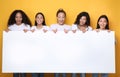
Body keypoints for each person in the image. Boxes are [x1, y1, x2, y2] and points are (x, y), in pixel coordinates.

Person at [7, 9, 32, 77]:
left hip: (24, 53)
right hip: (14, 53)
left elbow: (31, 39)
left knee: (23, 73)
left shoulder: (27, 26)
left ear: (22, 18)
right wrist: (7, 33)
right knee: (15, 73)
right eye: (16, 17)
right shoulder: (11, 27)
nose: (18, 19)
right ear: (14, 18)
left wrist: (28, 32)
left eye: (20, 17)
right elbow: (9, 41)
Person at [50, 8, 71, 77]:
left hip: (65, 53)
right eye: (59, 17)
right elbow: (48, 39)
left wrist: (69, 33)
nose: (61, 19)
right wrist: (52, 32)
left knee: (64, 73)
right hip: (55, 53)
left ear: (65, 18)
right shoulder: (52, 26)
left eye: (63, 17)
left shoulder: (69, 27)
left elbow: (72, 39)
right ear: (57, 17)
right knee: (56, 73)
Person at [71, 12, 92, 77]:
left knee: (83, 73)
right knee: (74, 72)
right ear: (78, 18)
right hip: (74, 52)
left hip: (84, 53)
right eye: (81, 18)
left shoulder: (89, 28)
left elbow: (91, 41)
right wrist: (71, 32)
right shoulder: (73, 26)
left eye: (84, 19)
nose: (82, 21)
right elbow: (69, 39)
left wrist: (86, 33)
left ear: (86, 20)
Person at [31, 12, 49, 77]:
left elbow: (51, 40)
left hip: (43, 54)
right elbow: (28, 40)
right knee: (34, 73)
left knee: (41, 73)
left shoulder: (47, 28)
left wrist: (48, 33)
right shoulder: (32, 28)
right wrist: (29, 32)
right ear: (35, 19)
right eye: (38, 17)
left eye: (41, 17)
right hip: (33, 54)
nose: (39, 19)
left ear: (43, 19)